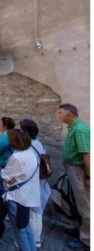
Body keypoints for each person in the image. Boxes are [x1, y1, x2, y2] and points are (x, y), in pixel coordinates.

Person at [1, 129, 40, 251]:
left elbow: (5, 175)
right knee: (25, 225)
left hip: (17, 197)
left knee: (19, 230)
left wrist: (4, 174)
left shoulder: (17, 157)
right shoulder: (30, 152)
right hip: (26, 195)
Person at [58, 103, 90, 249]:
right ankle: (80, 229)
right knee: (78, 202)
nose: (59, 116)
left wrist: (89, 177)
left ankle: (87, 240)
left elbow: (87, 155)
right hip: (73, 170)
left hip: (79, 172)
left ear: (69, 114)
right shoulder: (74, 128)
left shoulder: (79, 130)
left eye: (60, 113)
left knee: (85, 205)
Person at [19, 118, 51, 249]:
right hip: (40, 181)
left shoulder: (29, 147)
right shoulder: (37, 142)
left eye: (21, 129)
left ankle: (35, 239)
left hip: (33, 183)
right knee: (37, 212)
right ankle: (36, 239)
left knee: (34, 213)